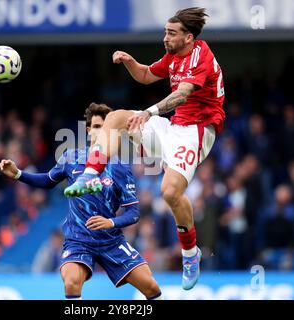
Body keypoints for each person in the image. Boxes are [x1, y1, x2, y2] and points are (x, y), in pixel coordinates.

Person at [64, 7, 225, 290]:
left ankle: (190, 253)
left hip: (197, 131)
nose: (165, 38)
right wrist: (129, 61)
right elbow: (147, 75)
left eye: (171, 33)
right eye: (165, 32)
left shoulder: (201, 56)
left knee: (170, 192)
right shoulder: (174, 56)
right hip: (173, 127)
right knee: (114, 118)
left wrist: (149, 113)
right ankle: (90, 173)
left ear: (188, 37)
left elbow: (182, 94)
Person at [0, 103, 163, 300]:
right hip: (79, 240)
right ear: (89, 130)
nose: (102, 131)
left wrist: (110, 222)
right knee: (71, 281)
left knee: (151, 286)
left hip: (111, 240)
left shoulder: (120, 167)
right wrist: (17, 174)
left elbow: (133, 213)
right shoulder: (71, 157)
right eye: (97, 127)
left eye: (106, 127)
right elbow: (48, 180)